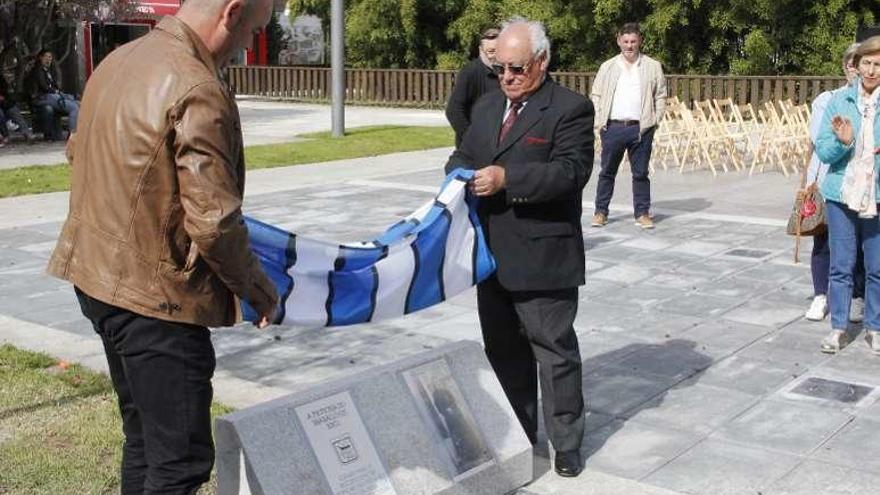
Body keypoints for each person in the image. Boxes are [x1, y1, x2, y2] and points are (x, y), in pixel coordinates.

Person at [46, 0, 280, 492]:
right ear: (231, 13)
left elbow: (78, 150)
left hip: (99, 280)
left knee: (146, 441)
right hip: (156, 301)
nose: (245, 48)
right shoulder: (197, 86)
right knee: (179, 461)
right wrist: (258, 288)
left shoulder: (120, 60)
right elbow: (214, 222)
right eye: (254, 30)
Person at [445, 17, 594, 477]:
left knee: (554, 355)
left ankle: (566, 444)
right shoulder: (489, 107)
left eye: (516, 68)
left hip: (544, 258)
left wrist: (508, 179)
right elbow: (462, 156)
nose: (506, 77)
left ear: (542, 61)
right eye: (500, 69)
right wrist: (457, 178)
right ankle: (520, 437)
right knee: (504, 354)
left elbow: (571, 172)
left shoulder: (570, 108)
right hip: (491, 257)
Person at [815, 35, 880, 356]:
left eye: (877, 64)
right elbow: (824, 153)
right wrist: (843, 141)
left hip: (876, 196)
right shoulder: (839, 102)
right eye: (866, 63)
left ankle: (874, 327)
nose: (871, 70)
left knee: (877, 266)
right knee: (841, 266)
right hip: (841, 194)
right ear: (856, 66)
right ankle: (839, 328)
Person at [804, 43, 866, 330]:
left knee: (864, 245)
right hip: (829, 178)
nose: (858, 69)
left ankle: (857, 294)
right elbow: (820, 141)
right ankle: (820, 294)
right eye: (853, 63)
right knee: (824, 240)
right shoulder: (829, 100)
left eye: (863, 62)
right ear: (845, 67)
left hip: (864, 182)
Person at [590, 22, 666, 229]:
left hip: (641, 128)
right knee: (607, 171)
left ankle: (642, 213)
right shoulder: (608, 67)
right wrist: (600, 122)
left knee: (640, 173)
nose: (629, 46)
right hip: (613, 127)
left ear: (640, 40)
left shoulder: (652, 66)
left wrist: (655, 120)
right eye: (626, 42)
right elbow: (595, 95)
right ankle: (600, 212)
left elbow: (660, 95)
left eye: (633, 41)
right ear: (618, 41)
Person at [445, 27, 500, 147]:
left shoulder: (506, 73)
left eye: (498, 50)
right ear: (480, 50)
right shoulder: (470, 72)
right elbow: (454, 111)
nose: (495, 56)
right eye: (490, 51)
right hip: (475, 149)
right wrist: (472, 140)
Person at [26, 49, 80, 140]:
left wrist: (61, 93)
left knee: (78, 104)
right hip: (42, 98)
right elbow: (44, 87)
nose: (49, 59)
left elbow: (54, 87)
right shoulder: (37, 70)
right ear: (40, 58)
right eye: (46, 57)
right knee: (74, 107)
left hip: (51, 96)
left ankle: (75, 132)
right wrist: (57, 92)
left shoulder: (48, 71)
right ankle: (72, 135)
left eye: (50, 57)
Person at [0, 75, 36, 146]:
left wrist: (3, 97)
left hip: (4, 102)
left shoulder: (0, 78)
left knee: (13, 110)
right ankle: (6, 136)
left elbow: (4, 90)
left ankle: (27, 134)